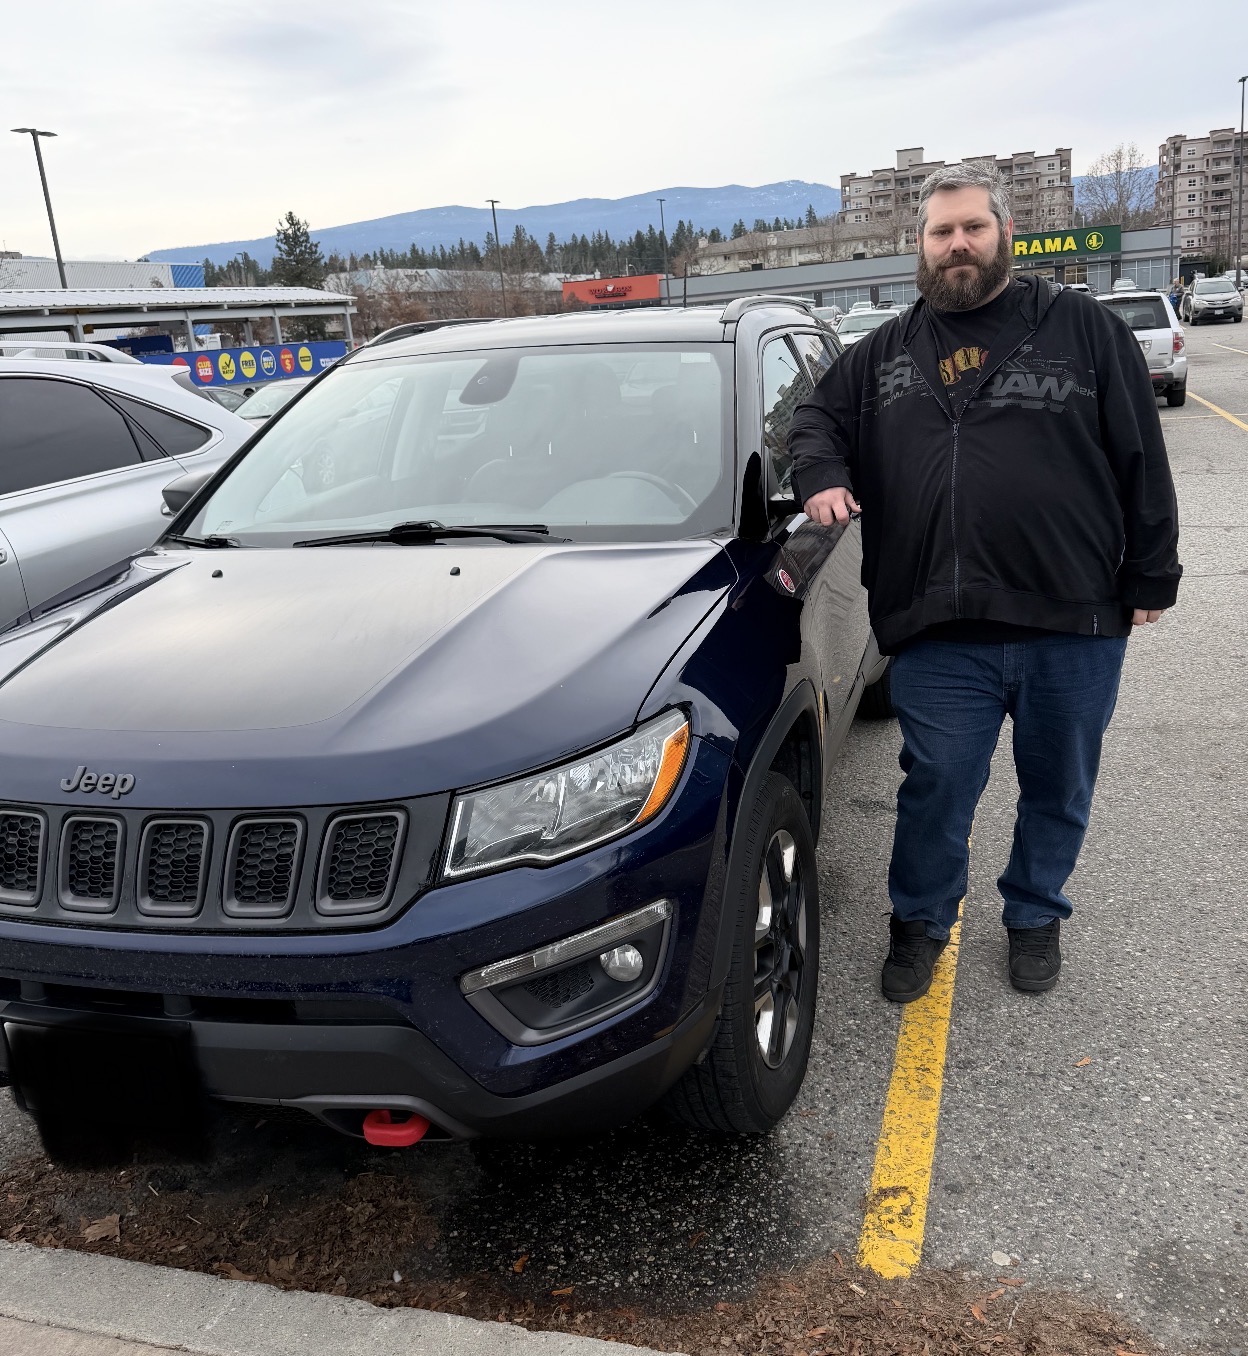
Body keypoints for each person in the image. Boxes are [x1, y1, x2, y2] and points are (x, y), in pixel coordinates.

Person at [788, 161, 1181, 1002]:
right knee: (934, 787)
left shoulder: (1082, 329)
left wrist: (1153, 573)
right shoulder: (886, 350)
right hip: (940, 625)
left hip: (1071, 617)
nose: (957, 244)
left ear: (1004, 233)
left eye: (972, 227)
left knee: (1059, 785)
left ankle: (1035, 914)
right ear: (921, 248)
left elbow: (1141, 456)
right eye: (941, 232)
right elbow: (813, 416)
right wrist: (819, 471)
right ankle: (920, 922)